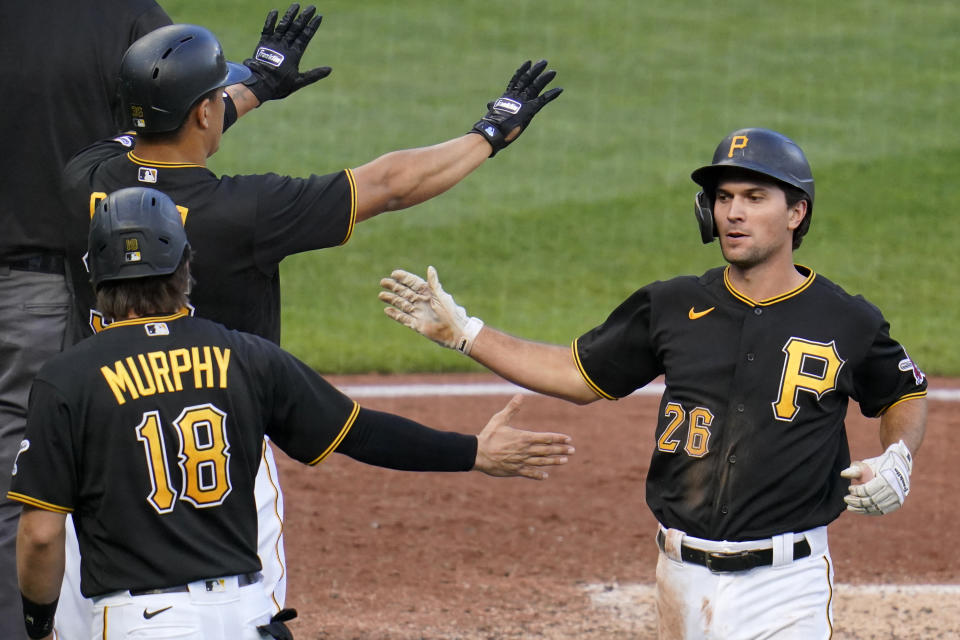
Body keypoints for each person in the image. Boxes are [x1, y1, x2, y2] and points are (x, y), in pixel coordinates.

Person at [58, 6, 563, 636]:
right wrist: (489, 133)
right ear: (203, 113)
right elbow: (392, 184)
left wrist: (257, 83)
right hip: (221, 456)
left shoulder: (86, 178)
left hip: (100, 445)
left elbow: (156, 135)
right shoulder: (246, 213)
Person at [378, 127, 928, 639]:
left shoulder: (844, 318)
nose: (733, 212)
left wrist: (898, 454)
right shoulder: (671, 304)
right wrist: (466, 334)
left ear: (796, 213)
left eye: (755, 197)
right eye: (724, 197)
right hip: (679, 579)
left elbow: (902, 392)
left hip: (788, 586)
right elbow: (577, 373)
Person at [8, 187, 574, 640]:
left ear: (95, 276)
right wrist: (474, 452)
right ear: (185, 265)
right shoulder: (246, 356)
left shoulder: (68, 380)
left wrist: (36, 623)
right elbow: (362, 432)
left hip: (139, 624)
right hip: (247, 617)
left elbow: (39, 536)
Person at [0, 2, 172, 638]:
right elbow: (179, 116)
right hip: (57, 285)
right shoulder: (122, 11)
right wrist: (257, 85)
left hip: (28, 284)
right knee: (38, 470)